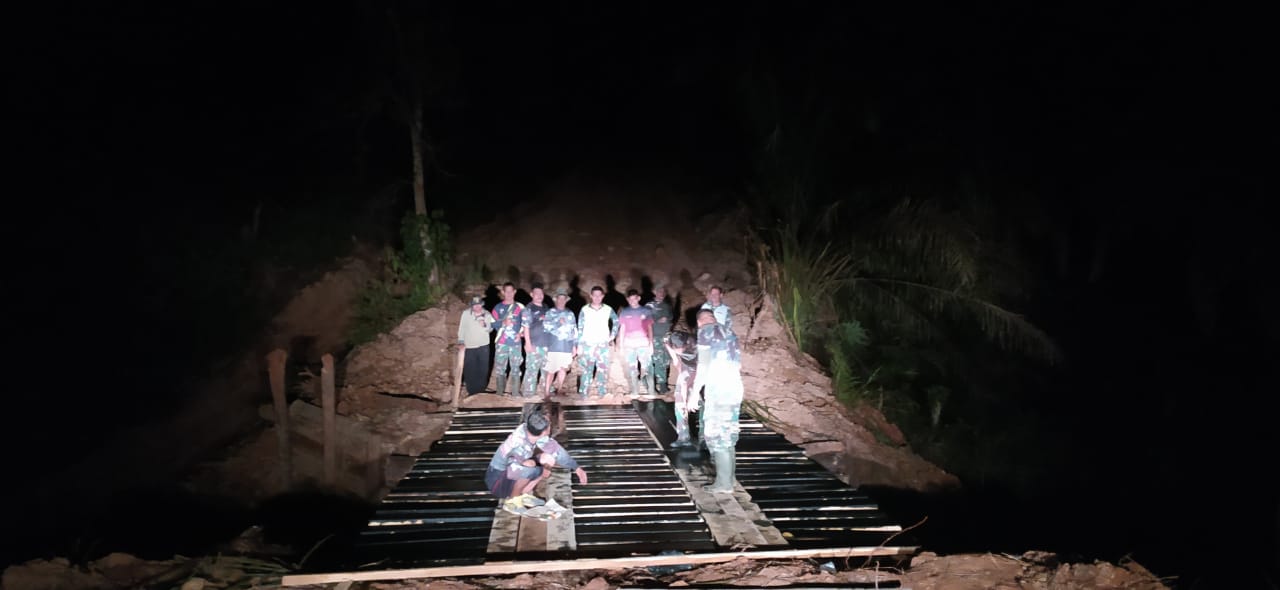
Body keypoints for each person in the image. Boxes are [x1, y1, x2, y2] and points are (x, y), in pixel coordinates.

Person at [484, 411, 588, 514]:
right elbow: (514, 471)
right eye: (549, 425)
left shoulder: (531, 432)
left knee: (548, 459)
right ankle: (513, 501)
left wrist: (576, 468)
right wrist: (537, 469)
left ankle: (521, 494)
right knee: (529, 466)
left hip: (509, 475)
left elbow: (557, 451)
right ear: (544, 432)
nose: (550, 426)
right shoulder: (519, 444)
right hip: (497, 482)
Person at [691, 308, 743, 493]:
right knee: (728, 435)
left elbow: (703, 365)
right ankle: (730, 479)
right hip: (735, 387)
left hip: (719, 389)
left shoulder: (704, 332)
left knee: (717, 436)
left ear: (699, 322)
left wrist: (694, 392)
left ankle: (724, 484)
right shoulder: (729, 332)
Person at [576, 285, 618, 399]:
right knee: (587, 369)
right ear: (591, 296)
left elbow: (616, 321)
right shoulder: (584, 309)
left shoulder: (608, 309)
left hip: (602, 344)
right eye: (595, 295)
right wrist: (579, 344)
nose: (597, 298)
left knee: (602, 368)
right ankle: (583, 392)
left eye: (599, 295)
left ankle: (601, 391)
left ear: (602, 296)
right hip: (588, 344)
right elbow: (580, 327)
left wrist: (612, 336)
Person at [663, 327, 699, 448]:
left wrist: (693, 393)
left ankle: (705, 440)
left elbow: (700, 372)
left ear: (686, 343)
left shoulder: (699, 346)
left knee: (700, 403)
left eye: (680, 350)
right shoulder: (669, 339)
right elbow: (667, 343)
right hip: (686, 366)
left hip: (703, 370)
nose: (678, 351)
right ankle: (683, 436)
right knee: (679, 401)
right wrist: (675, 359)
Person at [541, 286, 578, 397]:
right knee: (551, 369)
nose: (561, 301)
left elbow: (574, 331)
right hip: (554, 345)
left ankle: (560, 389)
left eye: (563, 298)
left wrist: (574, 345)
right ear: (555, 299)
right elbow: (545, 327)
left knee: (563, 368)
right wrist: (558, 323)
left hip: (566, 346)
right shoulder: (550, 312)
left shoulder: (570, 313)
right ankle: (547, 392)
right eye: (559, 298)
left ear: (566, 300)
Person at [617, 288, 654, 399]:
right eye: (630, 299)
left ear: (639, 298)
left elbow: (650, 328)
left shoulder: (646, 311)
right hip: (629, 343)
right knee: (632, 367)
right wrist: (621, 346)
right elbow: (622, 329)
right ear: (628, 300)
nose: (633, 301)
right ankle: (635, 391)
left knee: (647, 366)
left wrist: (651, 344)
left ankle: (651, 392)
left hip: (643, 342)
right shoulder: (625, 312)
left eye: (635, 299)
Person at [490, 282, 525, 397]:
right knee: (500, 368)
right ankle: (500, 392)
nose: (509, 294)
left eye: (511, 291)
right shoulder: (498, 308)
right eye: (506, 291)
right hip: (501, 343)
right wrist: (502, 322)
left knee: (516, 368)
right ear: (503, 292)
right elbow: (491, 324)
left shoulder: (520, 307)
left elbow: (526, 323)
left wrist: (521, 334)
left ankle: (515, 392)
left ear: (514, 292)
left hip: (515, 343)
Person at [457, 295, 495, 396]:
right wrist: (461, 341)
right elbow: (462, 328)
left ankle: (481, 390)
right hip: (470, 346)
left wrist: (484, 325)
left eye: (479, 305)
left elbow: (490, 329)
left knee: (483, 368)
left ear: (482, 305)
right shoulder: (466, 314)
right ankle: (472, 391)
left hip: (484, 346)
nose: (477, 307)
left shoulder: (487, 314)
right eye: (475, 305)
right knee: (470, 368)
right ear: (472, 306)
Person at [519, 284, 551, 397]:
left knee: (546, 369)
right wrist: (527, 343)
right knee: (532, 369)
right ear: (531, 294)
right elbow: (526, 327)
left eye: (541, 293)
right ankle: (528, 393)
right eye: (536, 293)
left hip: (546, 344)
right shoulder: (529, 308)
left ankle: (545, 392)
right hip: (534, 344)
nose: (539, 296)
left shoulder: (546, 308)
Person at [646, 283, 675, 394]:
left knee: (666, 360)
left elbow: (671, 318)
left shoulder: (667, 305)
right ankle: (658, 384)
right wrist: (657, 320)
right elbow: (646, 320)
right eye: (659, 291)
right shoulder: (650, 305)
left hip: (666, 336)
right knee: (658, 361)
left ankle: (657, 382)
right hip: (655, 335)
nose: (661, 293)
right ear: (654, 292)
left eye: (663, 291)